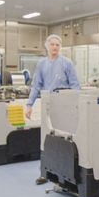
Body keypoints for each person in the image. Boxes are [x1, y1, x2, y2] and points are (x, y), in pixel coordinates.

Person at [26, 34, 80, 184]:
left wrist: (76, 105)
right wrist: (29, 105)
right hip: (48, 106)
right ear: (46, 46)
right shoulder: (41, 64)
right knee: (46, 137)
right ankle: (45, 172)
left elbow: (75, 85)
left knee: (64, 138)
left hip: (65, 105)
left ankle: (66, 172)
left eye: (57, 45)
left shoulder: (66, 63)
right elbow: (36, 85)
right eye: (52, 44)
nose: (55, 47)